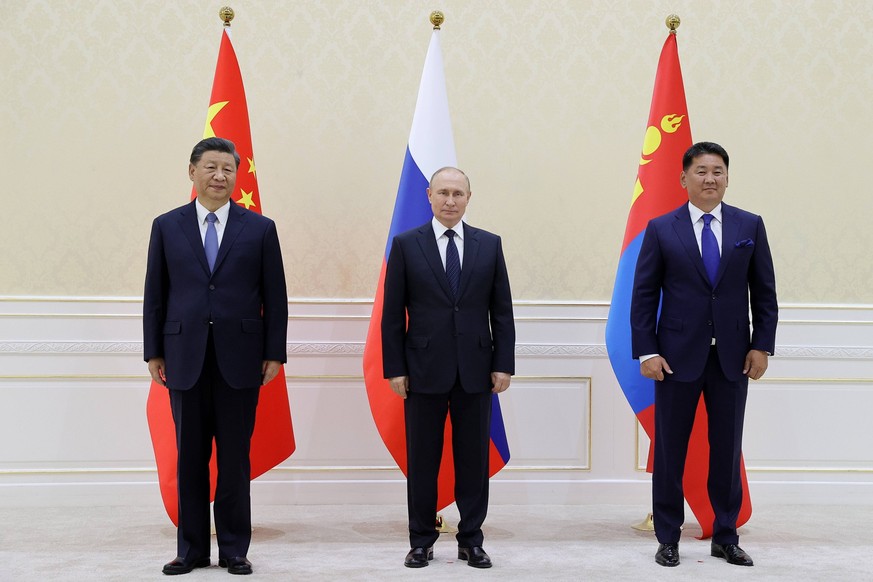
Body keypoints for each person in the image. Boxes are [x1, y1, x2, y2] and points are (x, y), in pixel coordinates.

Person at [144, 137, 288, 576]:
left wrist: (274, 354)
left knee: (233, 459)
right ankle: (190, 550)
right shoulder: (167, 226)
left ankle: (233, 549)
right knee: (188, 457)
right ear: (192, 172)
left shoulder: (260, 228)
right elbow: (156, 294)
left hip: (241, 359)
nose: (220, 176)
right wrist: (154, 350)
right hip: (183, 356)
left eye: (228, 169)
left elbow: (275, 299)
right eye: (211, 167)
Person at [631, 142, 778, 568]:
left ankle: (725, 535)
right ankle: (668, 537)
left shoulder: (749, 225)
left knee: (726, 449)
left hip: (733, 357)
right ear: (683, 179)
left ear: (727, 178)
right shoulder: (662, 228)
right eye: (700, 171)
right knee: (670, 450)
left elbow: (764, 293)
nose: (709, 178)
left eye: (717, 171)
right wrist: (647, 351)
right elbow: (643, 296)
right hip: (675, 357)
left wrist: (761, 345)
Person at [381, 167, 515, 569]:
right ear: (429, 196)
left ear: (469, 198)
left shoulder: (489, 245)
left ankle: (471, 539)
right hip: (422, 371)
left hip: (476, 371)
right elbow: (392, 315)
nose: (450, 200)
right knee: (423, 461)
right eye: (443, 193)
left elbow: (502, 312)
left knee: (473, 461)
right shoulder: (406, 245)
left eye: (458, 193)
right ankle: (421, 540)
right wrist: (395, 369)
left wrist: (503, 364)